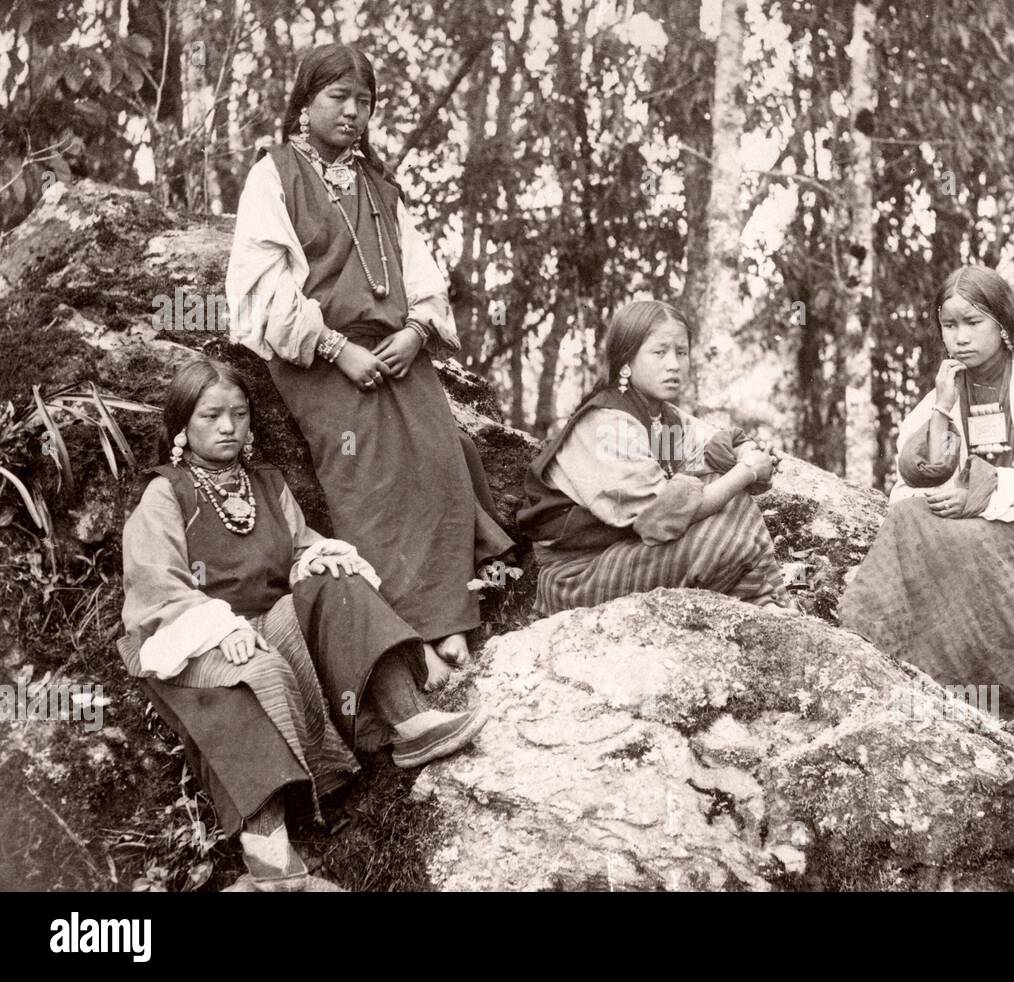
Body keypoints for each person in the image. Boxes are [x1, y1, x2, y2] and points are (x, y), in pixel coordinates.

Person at [118, 360, 487, 891]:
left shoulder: (267, 484)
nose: (229, 427)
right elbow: (157, 587)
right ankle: (269, 853)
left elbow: (301, 547)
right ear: (182, 427)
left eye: (240, 415)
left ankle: (409, 724)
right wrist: (219, 629)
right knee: (249, 671)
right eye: (212, 416)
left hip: (270, 618)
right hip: (192, 636)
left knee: (336, 577)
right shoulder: (165, 495)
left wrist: (315, 560)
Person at [224, 43, 513, 694]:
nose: (354, 113)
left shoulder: (381, 190)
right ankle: (412, 643)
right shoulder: (274, 176)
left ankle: (451, 622)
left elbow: (423, 279)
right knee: (371, 468)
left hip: (393, 349)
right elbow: (261, 289)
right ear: (303, 105)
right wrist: (334, 349)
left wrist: (416, 333)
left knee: (441, 452)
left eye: (365, 102)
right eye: (339, 98)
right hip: (317, 356)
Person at [838, 265, 1014, 741]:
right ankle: (879, 659)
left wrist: (981, 494)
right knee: (907, 518)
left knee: (967, 542)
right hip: (965, 523)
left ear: (1002, 323)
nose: (960, 337)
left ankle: (1002, 697)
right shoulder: (946, 390)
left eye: (972, 323)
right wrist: (939, 406)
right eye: (948, 325)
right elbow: (918, 475)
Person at [518, 299, 791, 615]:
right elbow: (660, 518)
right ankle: (766, 602)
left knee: (727, 495)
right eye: (659, 353)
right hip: (578, 575)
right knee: (725, 527)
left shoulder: (664, 416)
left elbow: (721, 444)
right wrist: (746, 472)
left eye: (681, 352)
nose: (674, 364)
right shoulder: (606, 424)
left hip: (626, 554)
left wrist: (746, 455)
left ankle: (766, 604)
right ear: (626, 362)